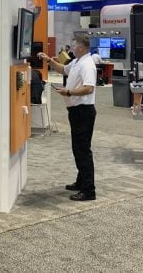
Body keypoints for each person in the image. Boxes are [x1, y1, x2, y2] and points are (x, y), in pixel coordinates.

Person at [38, 34, 97, 201]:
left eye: (74, 46)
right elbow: (63, 69)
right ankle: (81, 182)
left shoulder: (87, 65)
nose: (71, 48)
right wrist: (48, 60)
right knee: (78, 149)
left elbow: (89, 88)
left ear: (81, 47)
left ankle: (89, 190)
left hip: (83, 111)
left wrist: (69, 92)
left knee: (82, 150)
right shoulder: (77, 62)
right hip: (76, 111)